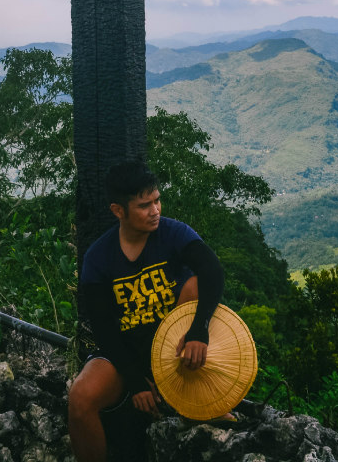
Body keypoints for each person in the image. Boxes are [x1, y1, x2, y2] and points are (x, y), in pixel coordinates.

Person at [68, 160, 226, 462]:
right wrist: (135, 379)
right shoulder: (98, 258)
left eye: (156, 201)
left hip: (174, 349)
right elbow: (103, 327)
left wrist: (199, 330)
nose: (155, 211)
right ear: (118, 210)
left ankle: (199, 399)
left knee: (194, 283)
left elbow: (212, 271)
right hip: (124, 353)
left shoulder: (172, 233)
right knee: (80, 398)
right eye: (144, 206)